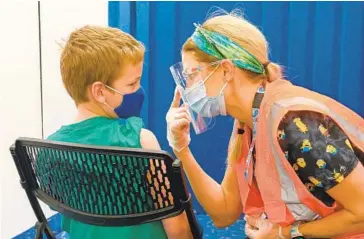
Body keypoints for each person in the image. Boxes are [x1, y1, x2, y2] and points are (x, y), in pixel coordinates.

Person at [166, 10, 364, 239]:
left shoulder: (294, 124)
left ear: (226, 70)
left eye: (191, 75)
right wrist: (181, 148)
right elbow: (224, 214)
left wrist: (285, 233)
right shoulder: (248, 122)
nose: (186, 88)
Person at [47, 25, 192, 239]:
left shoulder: (51, 149)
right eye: (132, 83)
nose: (139, 90)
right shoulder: (141, 140)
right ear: (100, 92)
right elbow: (178, 231)